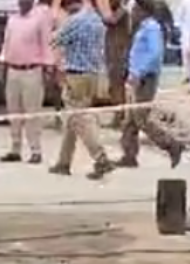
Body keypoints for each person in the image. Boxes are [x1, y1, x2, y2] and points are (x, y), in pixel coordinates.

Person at [49, 0, 112, 179]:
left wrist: (56, 21)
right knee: (72, 120)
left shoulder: (75, 21)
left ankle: (101, 158)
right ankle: (63, 162)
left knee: (80, 120)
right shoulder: (97, 21)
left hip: (76, 74)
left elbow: (54, 40)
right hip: (93, 74)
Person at [114, 0, 179, 168]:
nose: (132, 13)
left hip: (145, 79)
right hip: (136, 77)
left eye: (135, 10)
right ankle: (129, 155)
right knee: (130, 119)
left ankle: (170, 144)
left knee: (140, 118)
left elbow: (155, 54)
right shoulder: (143, 27)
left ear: (143, 10)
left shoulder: (151, 28)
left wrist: (139, 72)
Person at [0, 0, 51, 164]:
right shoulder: (12, 19)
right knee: (13, 111)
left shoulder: (40, 18)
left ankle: (35, 150)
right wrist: (3, 63)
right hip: (13, 70)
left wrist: (48, 68)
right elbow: (6, 44)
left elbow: (46, 43)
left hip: (32, 70)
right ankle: (15, 148)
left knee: (32, 113)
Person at [101, 0, 130, 127]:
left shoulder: (122, 11)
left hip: (119, 56)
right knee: (115, 88)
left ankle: (119, 117)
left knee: (117, 87)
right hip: (113, 54)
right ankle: (118, 116)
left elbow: (110, 20)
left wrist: (100, 7)